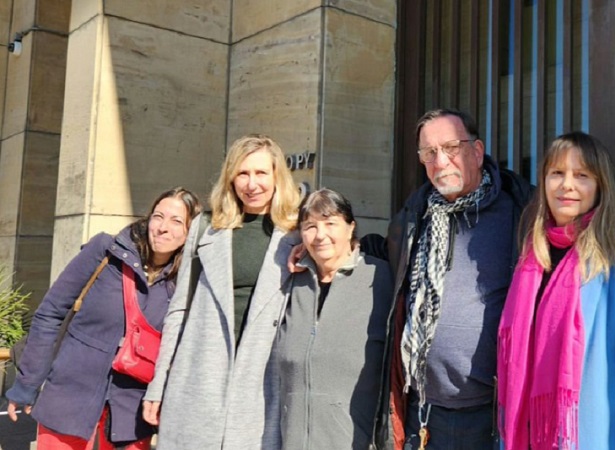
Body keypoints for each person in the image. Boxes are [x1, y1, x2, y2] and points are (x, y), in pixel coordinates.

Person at [356, 108, 532, 450]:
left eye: (450, 147)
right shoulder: (412, 219)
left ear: (477, 152)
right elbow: (378, 252)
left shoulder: (523, 213)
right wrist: (318, 245)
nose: (440, 161)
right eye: (429, 152)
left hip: (493, 416)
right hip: (422, 414)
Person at [497, 131, 615, 450]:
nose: (567, 185)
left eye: (582, 175)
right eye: (557, 173)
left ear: (601, 185)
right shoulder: (532, 263)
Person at [4, 187, 202, 450]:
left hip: (131, 409)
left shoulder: (187, 280)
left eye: (177, 221)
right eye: (158, 216)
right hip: (70, 394)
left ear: (190, 231)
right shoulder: (107, 251)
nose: (163, 227)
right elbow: (50, 313)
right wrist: (28, 382)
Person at [142, 134, 301, 450]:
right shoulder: (206, 227)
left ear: (276, 176)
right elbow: (180, 308)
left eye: (260, 173)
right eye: (242, 173)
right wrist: (158, 384)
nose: (251, 184)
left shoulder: (298, 232)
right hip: (199, 377)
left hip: (264, 384)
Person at [273, 188, 393, 449]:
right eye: (310, 226)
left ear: (351, 227)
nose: (320, 235)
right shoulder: (289, 282)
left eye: (330, 223)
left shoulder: (381, 277)